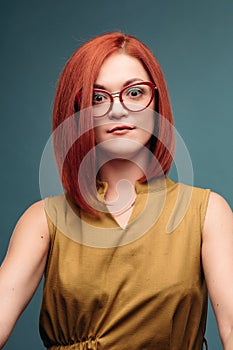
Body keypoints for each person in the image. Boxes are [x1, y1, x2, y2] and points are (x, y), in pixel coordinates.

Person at [0, 32, 232, 350]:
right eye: (97, 97)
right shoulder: (43, 221)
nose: (118, 110)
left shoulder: (206, 212)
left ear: (157, 102)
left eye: (135, 92)